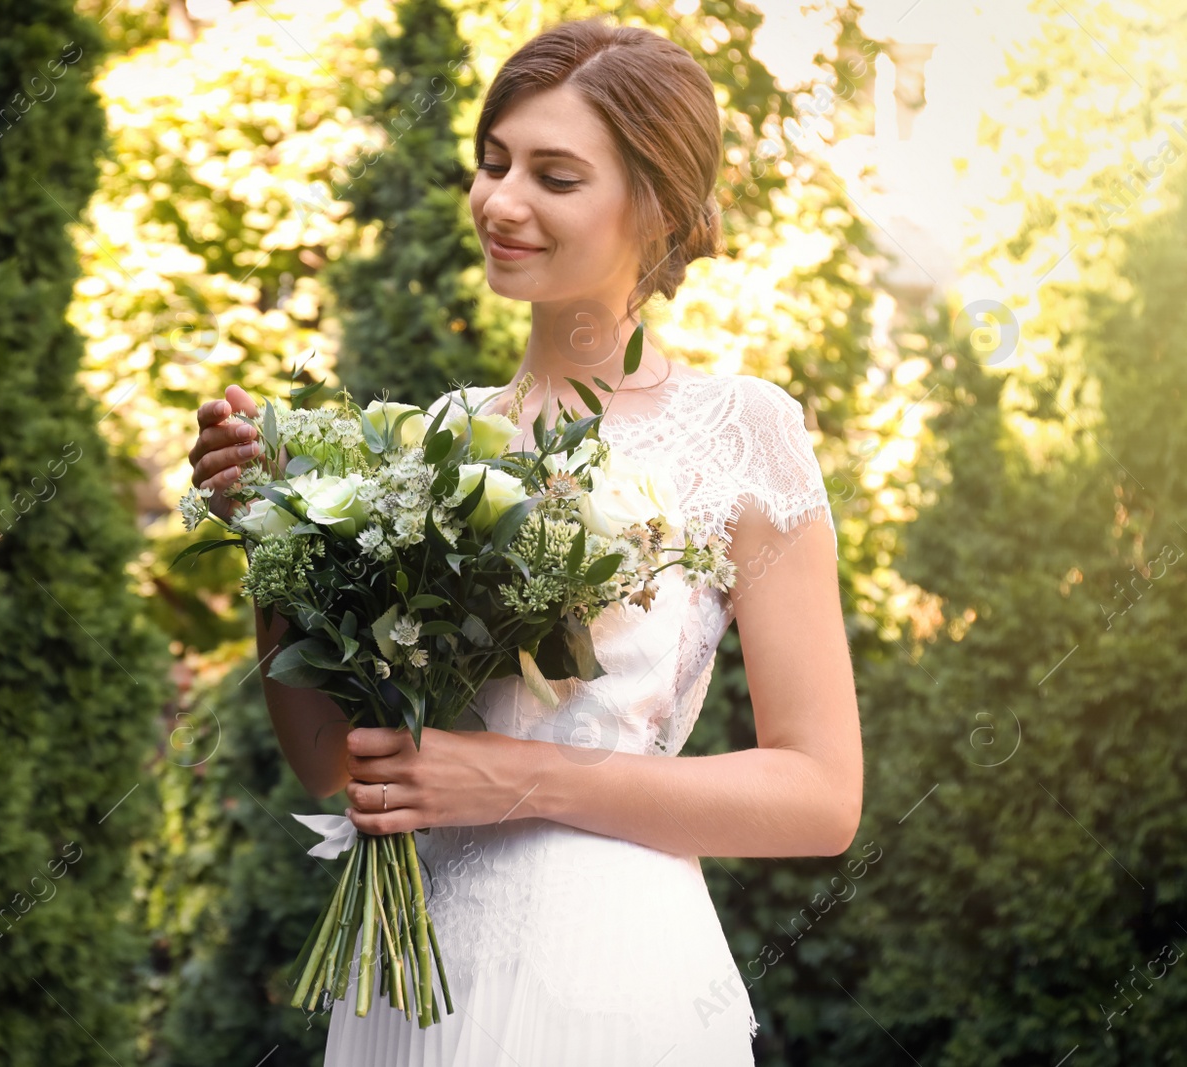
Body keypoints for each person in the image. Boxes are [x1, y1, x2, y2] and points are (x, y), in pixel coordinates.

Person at [186, 15, 861, 1066]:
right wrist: (272, 534)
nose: (500, 201)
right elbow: (326, 758)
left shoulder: (744, 431)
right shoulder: (433, 439)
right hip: (410, 983)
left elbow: (821, 795)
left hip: (606, 974)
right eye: (492, 162)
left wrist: (522, 777)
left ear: (657, 205)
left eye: (554, 175)